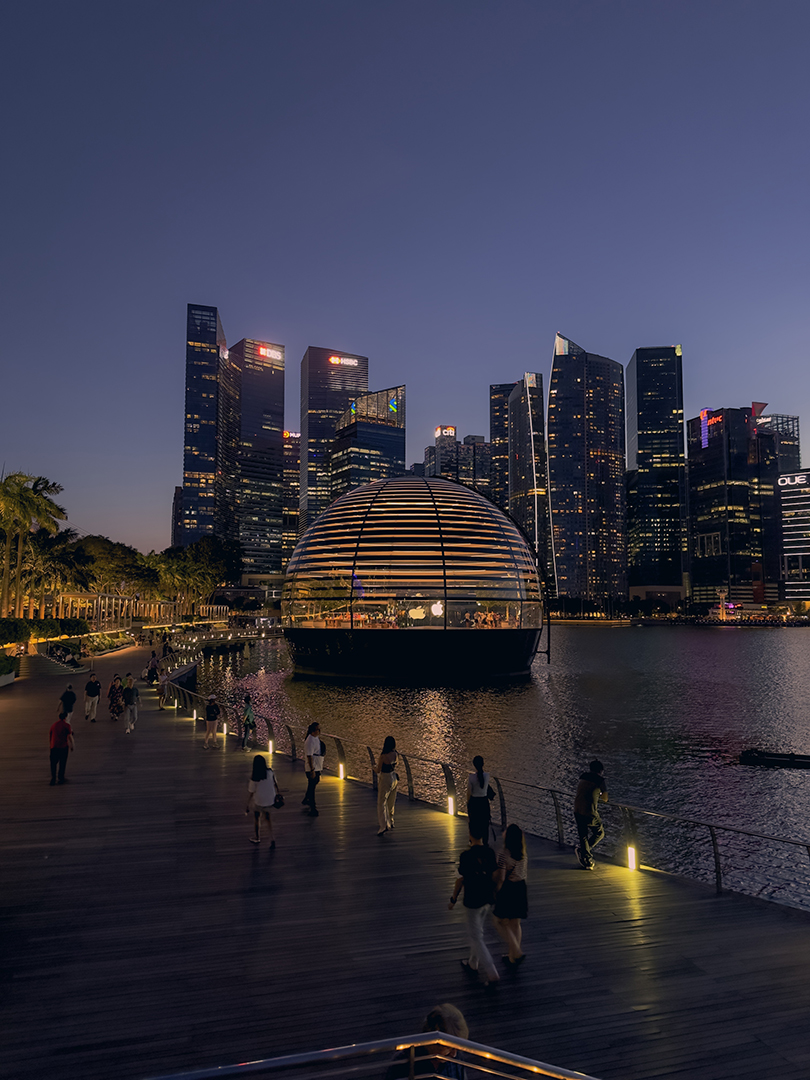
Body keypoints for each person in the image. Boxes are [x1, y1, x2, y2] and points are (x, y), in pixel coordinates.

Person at [449, 835, 499, 991]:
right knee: (479, 931)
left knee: (476, 937)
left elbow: (460, 880)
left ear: (470, 836)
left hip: (472, 900)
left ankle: (492, 972)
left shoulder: (466, 856)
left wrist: (453, 899)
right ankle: (473, 963)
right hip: (487, 898)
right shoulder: (490, 853)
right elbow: (495, 874)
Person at [385, 1004, 469, 1080]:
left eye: (457, 1048)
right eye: (448, 1047)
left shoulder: (456, 1059)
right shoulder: (403, 1063)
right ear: (432, 1041)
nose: (454, 1054)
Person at [493, 824, 528, 966]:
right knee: (515, 923)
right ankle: (512, 956)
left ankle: (516, 951)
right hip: (521, 888)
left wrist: (497, 892)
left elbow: (501, 877)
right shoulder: (523, 852)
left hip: (508, 889)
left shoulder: (503, 854)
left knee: (499, 921)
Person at [573, 758, 608, 870]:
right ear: (600, 770)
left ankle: (586, 857)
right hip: (589, 811)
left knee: (583, 835)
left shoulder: (583, 777)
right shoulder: (599, 780)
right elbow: (605, 799)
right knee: (600, 833)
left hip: (577, 809)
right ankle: (585, 853)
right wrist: (601, 793)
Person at [245, 754, 282, 847]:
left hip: (259, 801)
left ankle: (257, 837)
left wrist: (247, 805)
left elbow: (251, 792)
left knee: (257, 818)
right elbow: (275, 783)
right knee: (268, 818)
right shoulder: (270, 772)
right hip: (270, 800)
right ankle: (272, 837)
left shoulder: (255, 777)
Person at [374, 735, 398, 835]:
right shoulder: (396, 754)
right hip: (394, 777)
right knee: (391, 801)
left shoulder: (383, 756)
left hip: (385, 778)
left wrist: (373, 767)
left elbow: (378, 770)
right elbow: (397, 763)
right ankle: (391, 821)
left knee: (382, 802)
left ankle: (383, 825)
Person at [466, 756, 494, 844]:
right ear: (483, 764)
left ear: (474, 765)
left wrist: (468, 803)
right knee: (485, 823)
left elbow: (469, 792)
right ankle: (485, 842)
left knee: (474, 822)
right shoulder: (487, 776)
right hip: (484, 802)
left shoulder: (471, 777)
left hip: (475, 802)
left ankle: (474, 841)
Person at [302, 721, 323, 816]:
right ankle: (312, 807)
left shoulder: (315, 738)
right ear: (313, 731)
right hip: (313, 766)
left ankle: (306, 799)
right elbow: (309, 756)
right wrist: (312, 770)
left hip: (317, 764)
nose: (320, 731)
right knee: (312, 785)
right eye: (318, 729)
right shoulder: (309, 741)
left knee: (313, 783)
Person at [49, 712, 75, 785]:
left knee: (53, 763)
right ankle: (61, 778)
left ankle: (53, 778)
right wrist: (72, 745)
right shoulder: (66, 725)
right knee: (62, 763)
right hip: (63, 747)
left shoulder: (54, 725)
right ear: (66, 717)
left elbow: (51, 735)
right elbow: (70, 736)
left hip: (54, 746)